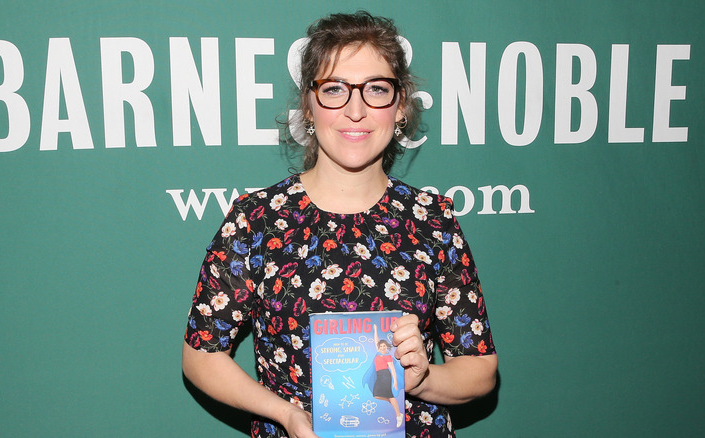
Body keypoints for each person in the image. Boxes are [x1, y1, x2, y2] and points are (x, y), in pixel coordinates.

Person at [182, 11, 497, 438]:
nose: (355, 110)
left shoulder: (432, 220)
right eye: (334, 90)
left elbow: (479, 371)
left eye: (376, 90)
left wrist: (422, 379)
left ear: (400, 105)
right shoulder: (257, 219)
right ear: (308, 107)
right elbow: (201, 356)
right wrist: (286, 415)